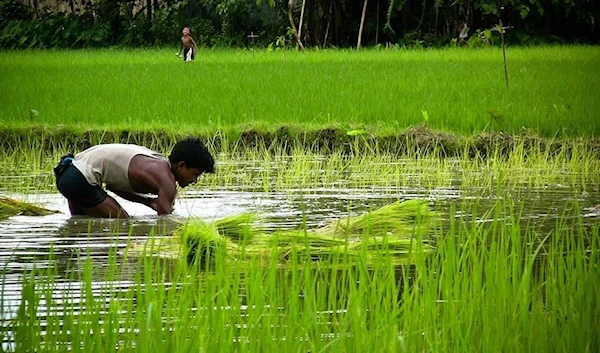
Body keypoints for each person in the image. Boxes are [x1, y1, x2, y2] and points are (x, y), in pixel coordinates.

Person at [54, 137, 215, 218]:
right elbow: (165, 222)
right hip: (80, 178)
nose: (195, 181)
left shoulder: (154, 162)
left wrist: (147, 202)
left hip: (68, 174)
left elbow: (113, 187)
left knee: (80, 227)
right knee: (123, 223)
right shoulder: (167, 181)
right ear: (181, 166)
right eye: (195, 174)